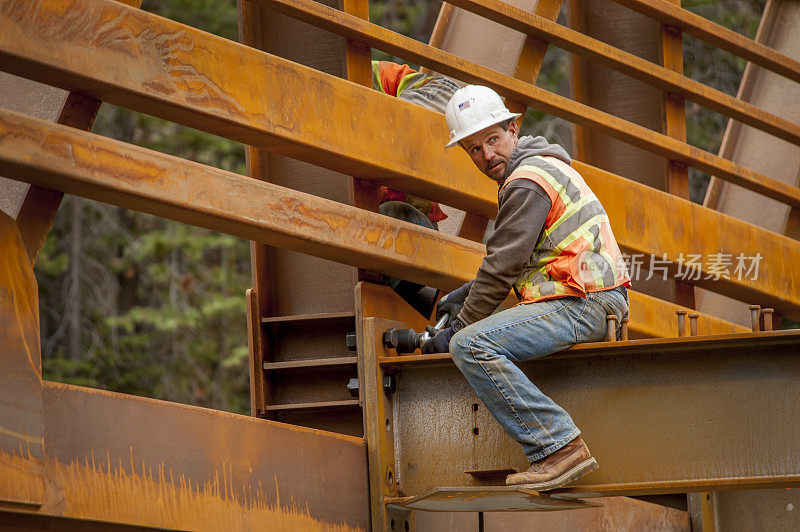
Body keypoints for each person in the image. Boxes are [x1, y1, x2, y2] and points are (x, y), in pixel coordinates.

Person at [422, 85, 631, 491]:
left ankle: (558, 446)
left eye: (493, 140)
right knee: (477, 335)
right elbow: (519, 262)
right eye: (474, 149)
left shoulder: (527, 181)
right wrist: (464, 295)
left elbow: (503, 267)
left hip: (583, 302)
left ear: (513, 130)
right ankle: (556, 444)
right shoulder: (539, 170)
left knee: (470, 344)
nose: (487, 156)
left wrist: (454, 329)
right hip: (586, 298)